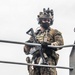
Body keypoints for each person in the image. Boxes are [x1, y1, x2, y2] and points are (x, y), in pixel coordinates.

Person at [24, 8, 64, 75]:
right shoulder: (35, 34)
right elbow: (26, 51)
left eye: (48, 20)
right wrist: (28, 45)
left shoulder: (54, 32)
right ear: (40, 21)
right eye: (44, 20)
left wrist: (49, 45)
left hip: (48, 60)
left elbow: (60, 43)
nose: (47, 22)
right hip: (35, 62)